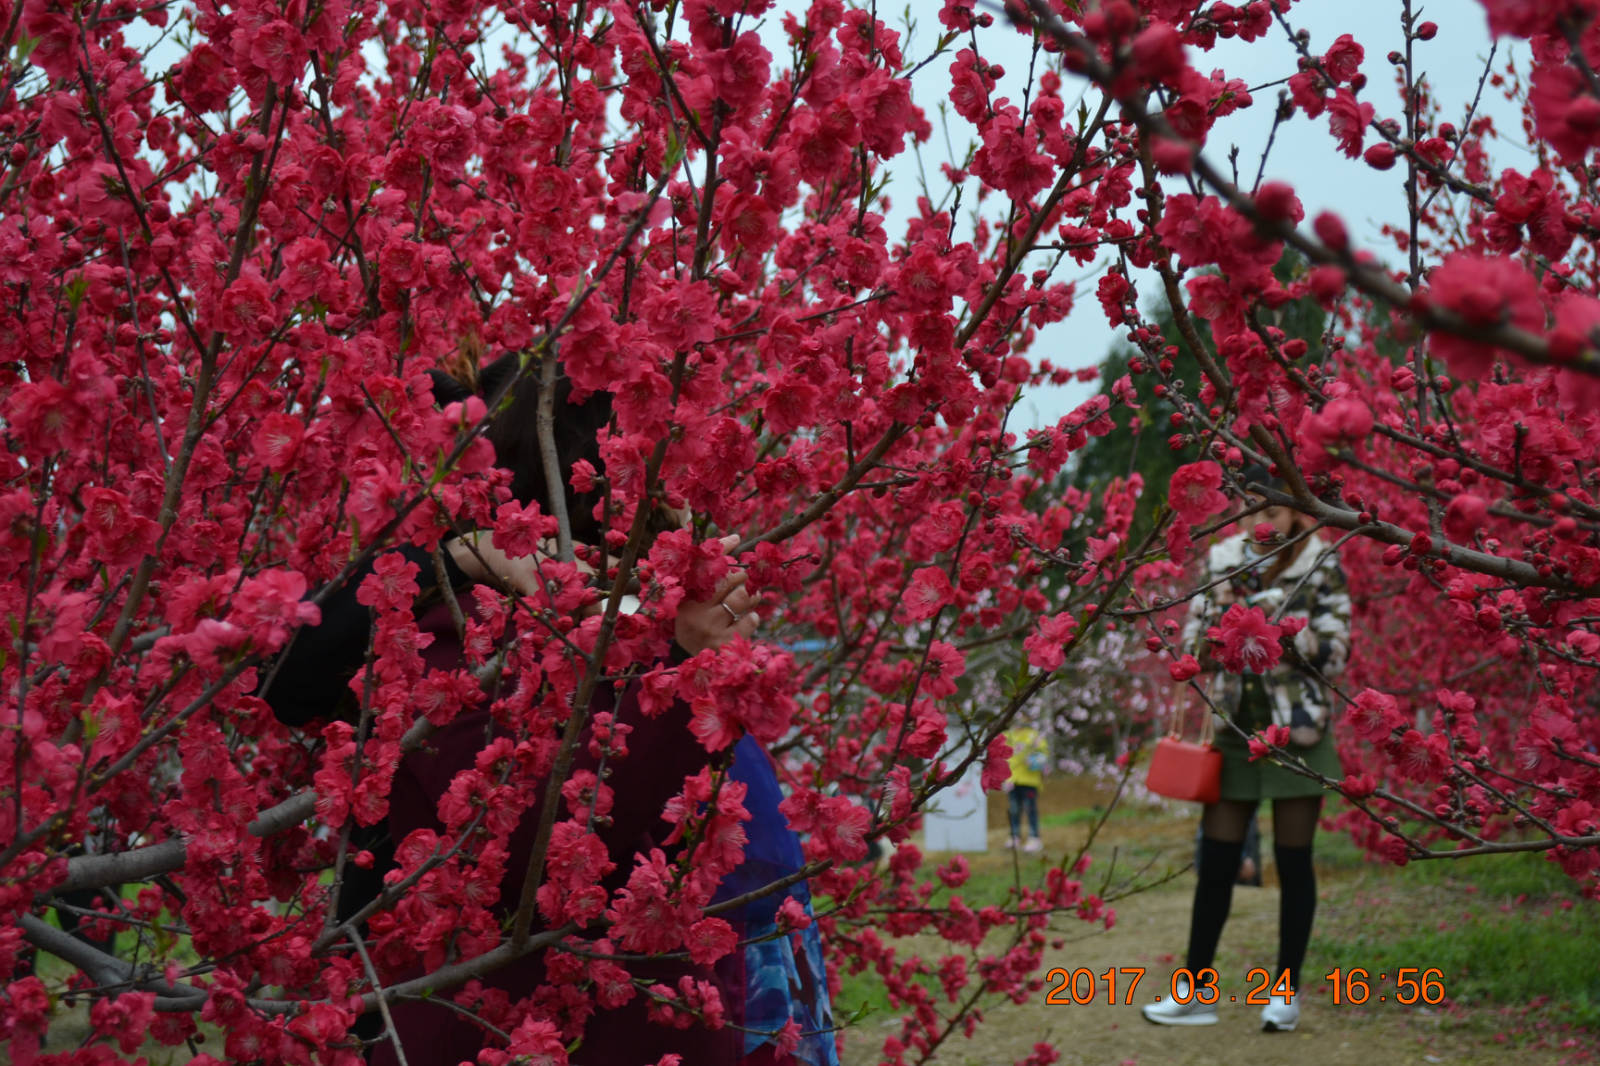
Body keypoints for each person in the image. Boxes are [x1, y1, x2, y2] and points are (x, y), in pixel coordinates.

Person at [262, 354, 837, 1066]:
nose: (690, 505)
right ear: (604, 478)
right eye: (670, 467)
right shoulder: (469, 644)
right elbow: (559, 850)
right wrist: (688, 667)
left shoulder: (627, 621)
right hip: (536, 1029)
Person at [1142, 469, 1351, 1033]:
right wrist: (1224, 636)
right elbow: (1191, 640)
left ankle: (1285, 994)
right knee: (1217, 860)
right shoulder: (1221, 560)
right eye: (1252, 509)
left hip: (1298, 732)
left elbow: (1336, 651)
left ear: (1298, 512)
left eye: (1274, 511)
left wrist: (1285, 631)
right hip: (1236, 729)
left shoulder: (1321, 560)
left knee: (1292, 861)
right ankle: (1193, 991)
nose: (1263, 522)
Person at [1002, 726, 1049, 853]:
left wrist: (1034, 761)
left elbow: (1044, 755)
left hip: (1029, 781)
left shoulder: (1034, 736)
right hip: (1012, 780)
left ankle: (1034, 837)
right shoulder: (1007, 735)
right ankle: (1014, 836)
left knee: (1030, 810)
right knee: (1014, 810)